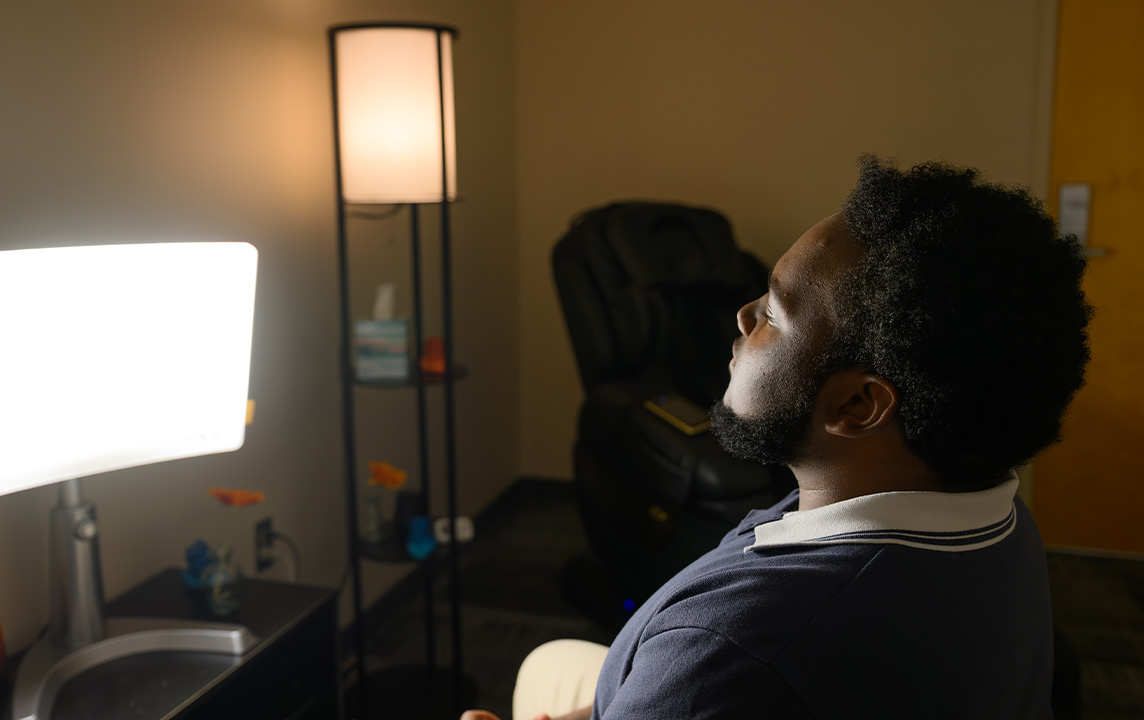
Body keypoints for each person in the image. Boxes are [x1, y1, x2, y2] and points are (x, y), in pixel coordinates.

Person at [463, 156, 1092, 720]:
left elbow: (721, 675)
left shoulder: (730, 652)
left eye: (772, 311)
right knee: (553, 661)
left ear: (858, 403)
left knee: (540, 669)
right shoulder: (997, 514)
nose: (743, 315)